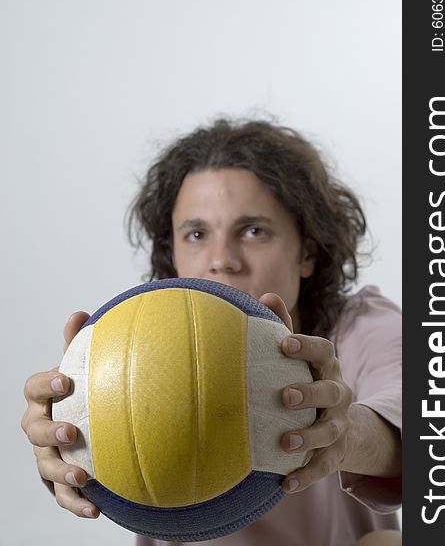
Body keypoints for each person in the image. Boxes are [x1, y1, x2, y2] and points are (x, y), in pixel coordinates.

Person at [22, 118, 402, 546]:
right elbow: (82, 469)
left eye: (254, 231)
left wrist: (340, 432)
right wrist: (67, 444)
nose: (222, 260)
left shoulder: (360, 325)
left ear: (307, 253)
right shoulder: (131, 350)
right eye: (197, 233)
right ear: (173, 254)